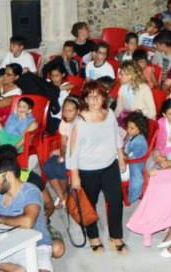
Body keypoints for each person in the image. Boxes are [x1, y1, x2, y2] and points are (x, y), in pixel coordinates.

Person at [0, 158, 60, 272]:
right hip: (7, 243)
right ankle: (16, 269)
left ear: (9, 175)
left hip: (36, 245)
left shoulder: (30, 191)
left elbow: (28, 222)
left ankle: (16, 269)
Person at [67, 80, 127, 253]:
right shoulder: (80, 122)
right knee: (89, 204)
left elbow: (116, 136)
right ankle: (93, 237)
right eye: (90, 97)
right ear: (85, 99)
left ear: (104, 98)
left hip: (109, 164)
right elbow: (72, 152)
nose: (94, 101)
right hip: (87, 169)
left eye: (97, 96)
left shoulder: (109, 114)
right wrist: (75, 176)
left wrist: (121, 157)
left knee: (116, 201)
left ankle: (116, 236)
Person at [42, 96, 79, 209]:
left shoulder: (81, 124)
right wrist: (61, 154)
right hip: (67, 152)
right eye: (64, 110)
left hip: (79, 155)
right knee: (47, 166)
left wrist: (63, 155)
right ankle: (62, 196)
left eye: (70, 110)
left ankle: (66, 193)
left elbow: (79, 147)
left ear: (78, 111)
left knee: (60, 168)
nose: (66, 113)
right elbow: (63, 143)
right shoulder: (64, 122)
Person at [123, 111, 150, 205]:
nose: (128, 130)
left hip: (134, 166)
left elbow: (129, 157)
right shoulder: (133, 136)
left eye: (131, 128)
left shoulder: (139, 142)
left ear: (139, 129)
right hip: (130, 161)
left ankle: (130, 198)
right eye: (128, 127)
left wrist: (121, 154)